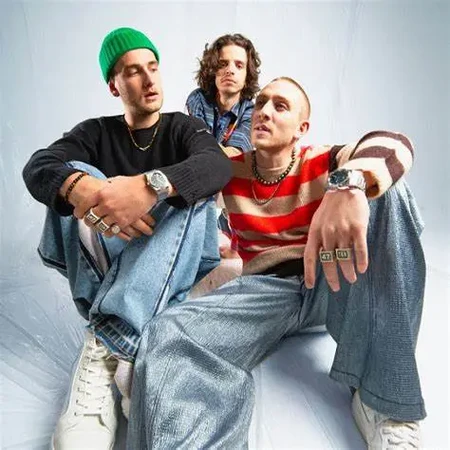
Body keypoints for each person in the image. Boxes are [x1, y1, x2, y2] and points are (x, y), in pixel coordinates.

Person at [127, 77, 426, 450]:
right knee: (167, 333)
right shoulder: (228, 168)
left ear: (302, 128)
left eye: (280, 106)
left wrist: (349, 185)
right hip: (267, 290)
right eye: (260, 103)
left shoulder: (324, 160)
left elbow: (395, 143)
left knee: (386, 191)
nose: (264, 112)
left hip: (333, 275)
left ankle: (381, 402)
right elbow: (184, 179)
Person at [22, 27, 232, 450]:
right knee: (75, 173)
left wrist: (150, 188)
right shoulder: (95, 132)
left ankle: (106, 340)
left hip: (179, 258)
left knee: (192, 189)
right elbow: (38, 166)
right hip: (108, 254)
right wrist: (81, 188)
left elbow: (217, 166)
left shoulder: (183, 127)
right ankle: (128, 348)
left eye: (153, 67)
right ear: (114, 85)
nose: (149, 80)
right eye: (134, 72)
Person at [186, 33, 261, 258]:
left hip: (237, 182)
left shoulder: (252, 111)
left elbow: (235, 153)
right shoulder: (198, 99)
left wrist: (210, 149)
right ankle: (207, 236)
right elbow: (197, 149)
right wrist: (209, 150)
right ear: (212, 70)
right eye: (223, 64)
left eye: (239, 65)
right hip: (202, 179)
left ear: (247, 75)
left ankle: (228, 230)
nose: (230, 70)